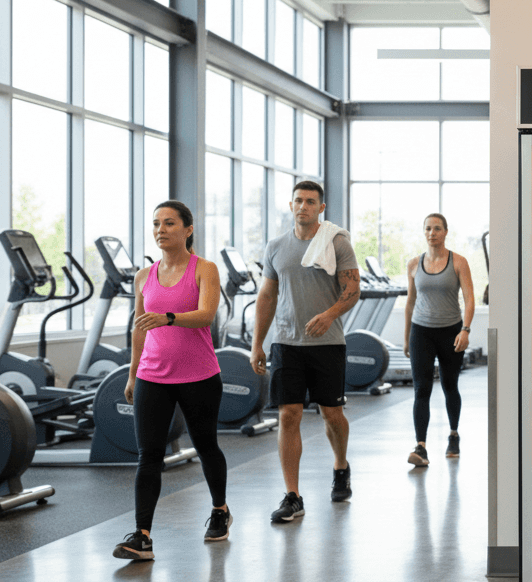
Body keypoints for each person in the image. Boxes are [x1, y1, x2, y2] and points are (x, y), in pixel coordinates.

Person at [113, 201, 230, 561]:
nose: (161, 230)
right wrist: (133, 374)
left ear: (188, 229)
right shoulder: (143, 276)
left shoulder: (204, 269)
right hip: (152, 375)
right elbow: (138, 329)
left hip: (199, 375)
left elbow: (206, 315)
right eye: (156, 224)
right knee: (149, 455)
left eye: (169, 223)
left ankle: (220, 510)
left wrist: (168, 317)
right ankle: (142, 536)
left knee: (206, 445)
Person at [250, 181, 361, 522]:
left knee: (331, 415)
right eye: (298, 201)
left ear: (321, 208)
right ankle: (292, 495)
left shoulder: (336, 242)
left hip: (327, 343)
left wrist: (329, 315)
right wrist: (258, 343)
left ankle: (340, 465)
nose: (303, 207)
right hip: (287, 342)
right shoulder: (276, 246)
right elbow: (267, 297)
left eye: (310, 202)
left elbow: (353, 289)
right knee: (288, 415)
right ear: (290, 204)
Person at [404, 213, 477, 465]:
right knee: (421, 389)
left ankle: (453, 434)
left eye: (437, 228)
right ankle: (421, 446)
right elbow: (410, 302)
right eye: (427, 229)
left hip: (450, 331)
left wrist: (465, 330)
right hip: (421, 332)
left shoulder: (459, 262)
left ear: (445, 232)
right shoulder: (414, 263)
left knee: (449, 385)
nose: (431, 233)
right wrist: (406, 338)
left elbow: (469, 299)